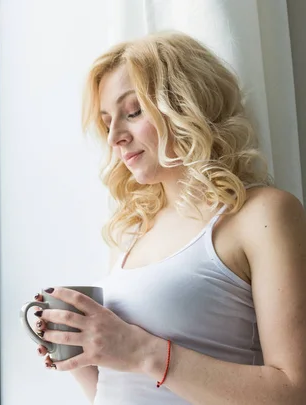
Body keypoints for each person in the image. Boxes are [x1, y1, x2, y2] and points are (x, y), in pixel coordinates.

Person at [31, 31, 306, 404]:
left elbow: (293, 390)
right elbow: (123, 390)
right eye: (107, 120)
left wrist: (141, 351)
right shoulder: (131, 232)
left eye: (133, 112)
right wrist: (79, 354)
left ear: (185, 104)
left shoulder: (262, 215)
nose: (114, 137)